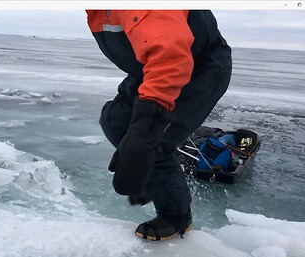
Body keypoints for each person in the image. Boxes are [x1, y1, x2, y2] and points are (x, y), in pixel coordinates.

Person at [85, 10, 232, 240]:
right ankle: (154, 173)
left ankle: (176, 217)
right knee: (116, 122)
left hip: (199, 68)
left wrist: (144, 132)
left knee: (154, 142)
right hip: (150, 68)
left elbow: (170, 57)